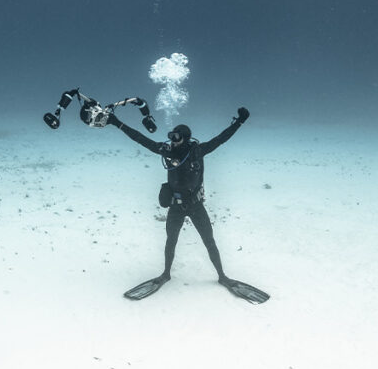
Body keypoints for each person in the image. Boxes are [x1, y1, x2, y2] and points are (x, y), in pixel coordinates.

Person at [107, 106, 268, 303]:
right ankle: (165, 274)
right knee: (171, 240)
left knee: (209, 241)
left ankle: (222, 276)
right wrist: (117, 123)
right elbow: (141, 139)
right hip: (176, 205)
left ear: (186, 138)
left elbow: (222, 138)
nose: (172, 142)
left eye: (176, 137)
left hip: (195, 205)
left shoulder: (197, 151)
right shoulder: (167, 151)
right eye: (171, 137)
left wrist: (239, 122)